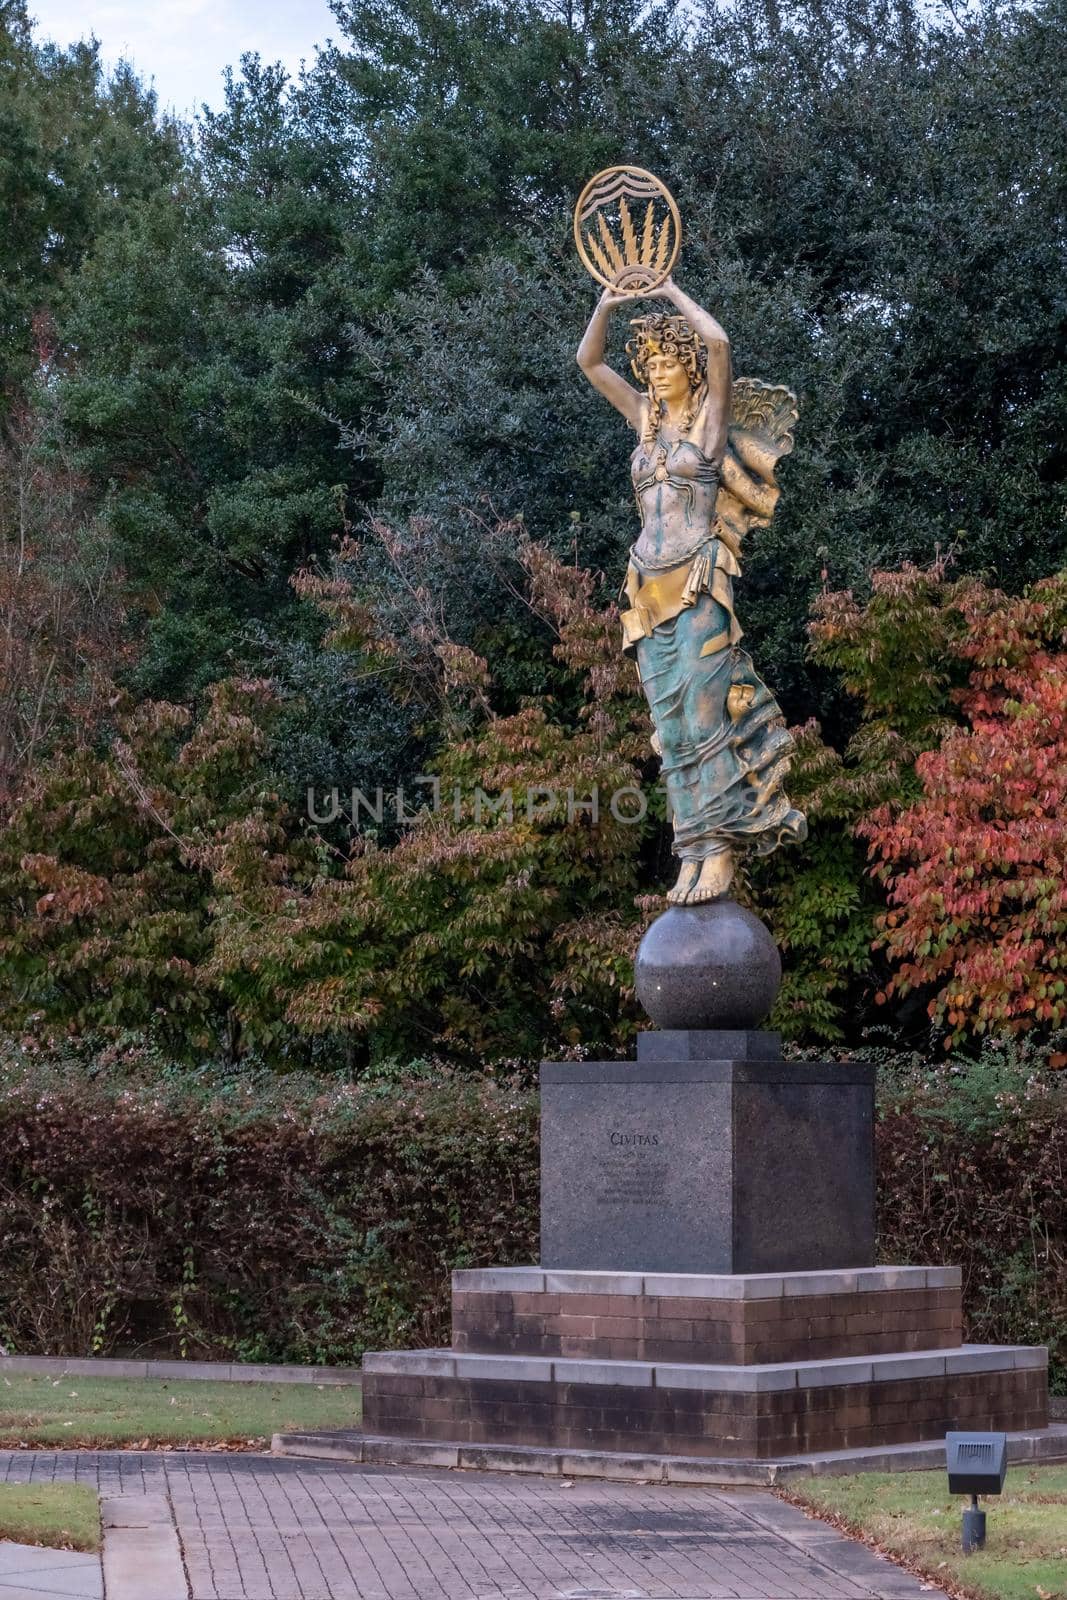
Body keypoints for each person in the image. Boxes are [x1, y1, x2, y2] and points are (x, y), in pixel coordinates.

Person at [576, 275, 806, 903]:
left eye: (667, 362)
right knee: (671, 733)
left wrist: (668, 287)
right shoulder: (644, 421)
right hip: (647, 593)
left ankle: (722, 855)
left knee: (706, 722)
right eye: (648, 365)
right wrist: (610, 300)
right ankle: (693, 851)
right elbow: (588, 360)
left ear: (689, 369)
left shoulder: (707, 422)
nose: (655, 374)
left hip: (699, 583)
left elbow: (721, 342)